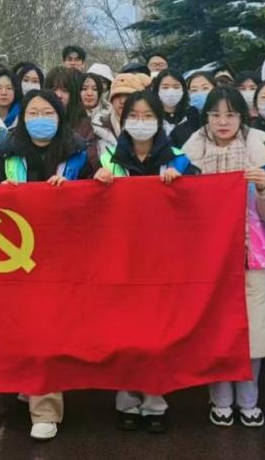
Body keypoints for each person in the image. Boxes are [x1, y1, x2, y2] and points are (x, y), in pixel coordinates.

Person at [0, 89, 96, 441]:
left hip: (63, 256)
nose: (40, 118)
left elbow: (98, 197)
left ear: (60, 117)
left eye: (47, 112)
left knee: (47, 327)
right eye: (32, 112)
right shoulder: (7, 153)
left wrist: (76, 189)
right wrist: (1, 190)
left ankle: (45, 407)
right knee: (26, 326)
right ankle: (33, 383)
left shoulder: (78, 153)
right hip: (19, 255)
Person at [182, 87, 265, 428]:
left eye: (230, 114)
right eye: (215, 114)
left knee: (253, 330)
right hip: (207, 258)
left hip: (251, 253)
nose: (223, 121)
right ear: (206, 117)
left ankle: (249, 399)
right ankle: (219, 399)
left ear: (242, 117)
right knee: (215, 329)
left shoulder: (261, 151)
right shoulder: (188, 156)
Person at [95, 89, 198, 433]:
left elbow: (199, 204)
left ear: (159, 120)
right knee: (124, 332)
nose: (141, 122)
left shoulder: (179, 159)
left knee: (157, 333)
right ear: (123, 121)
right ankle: (126, 398)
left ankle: (155, 400)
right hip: (120, 259)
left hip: (163, 260)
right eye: (134, 116)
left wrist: (183, 185)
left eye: (148, 116)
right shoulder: (108, 159)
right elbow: (90, 210)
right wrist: (96, 183)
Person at [90, 72, 146, 157]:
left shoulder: (150, 126)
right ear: (111, 100)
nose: (122, 101)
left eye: (127, 96)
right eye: (118, 96)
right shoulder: (98, 125)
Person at [169, 71, 214, 148]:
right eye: (194, 90)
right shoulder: (179, 132)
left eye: (205, 88)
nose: (200, 93)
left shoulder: (227, 123)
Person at [150, 68, 189, 133]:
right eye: (165, 87)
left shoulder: (192, 113)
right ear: (157, 90)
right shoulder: (150, 115)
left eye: (176, 87)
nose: (171, 92)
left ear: (183, 89)